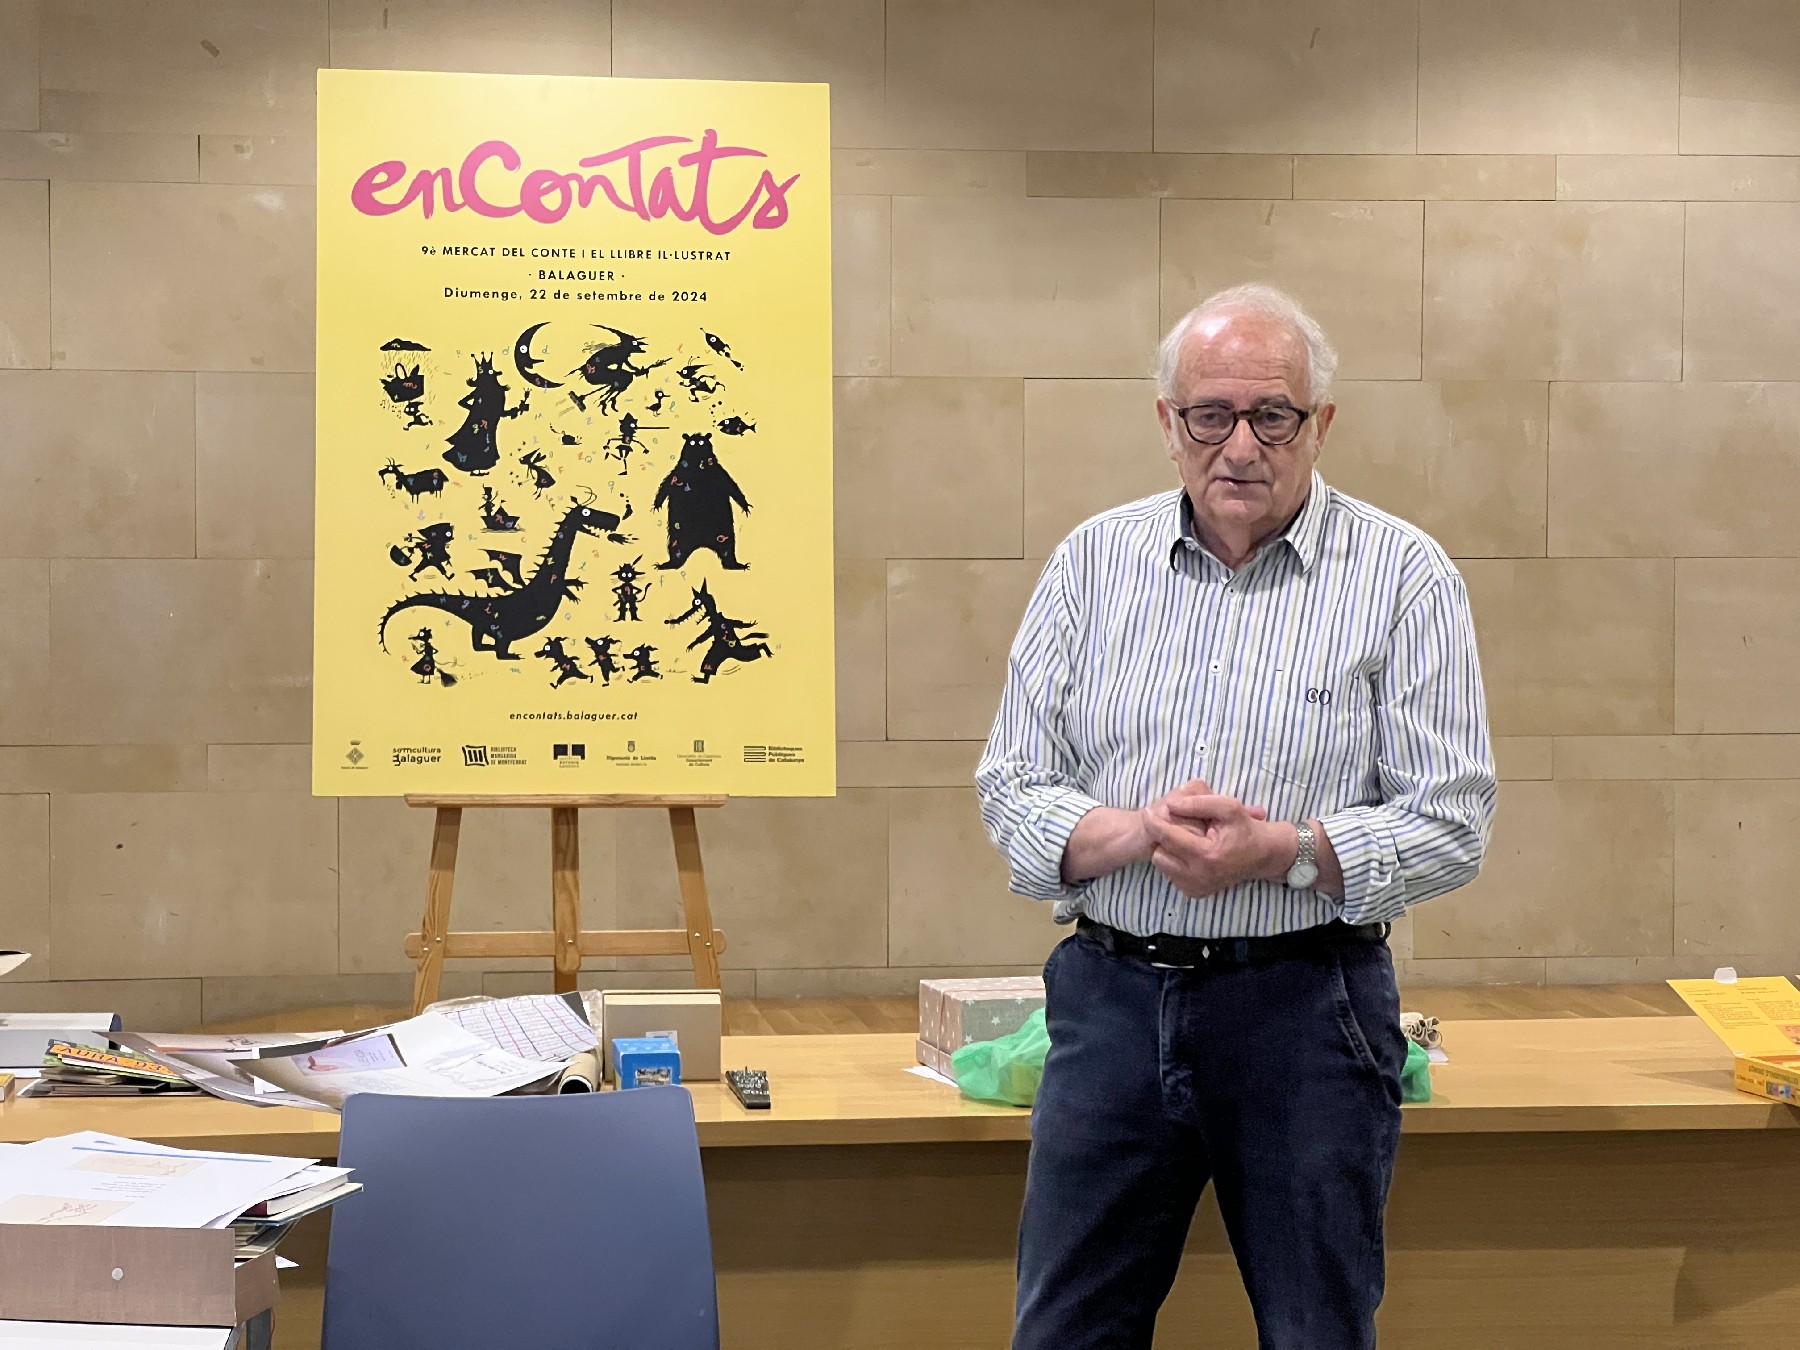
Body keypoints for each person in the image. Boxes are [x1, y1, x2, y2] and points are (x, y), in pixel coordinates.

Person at [975, 283, 1496, 1350]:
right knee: (1067, 1330)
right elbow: (1011, 786)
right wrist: (1136, 832)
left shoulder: (1404, 575)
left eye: (1273, 416)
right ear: (1168, 424)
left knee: (1315, 1332)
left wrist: (1285, 852)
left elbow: (1452, 821)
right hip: (1112, 1005)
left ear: (1322, 425)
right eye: (1211, 415)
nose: (1241, 446)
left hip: (1307, 1011)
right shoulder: (1092, 563)